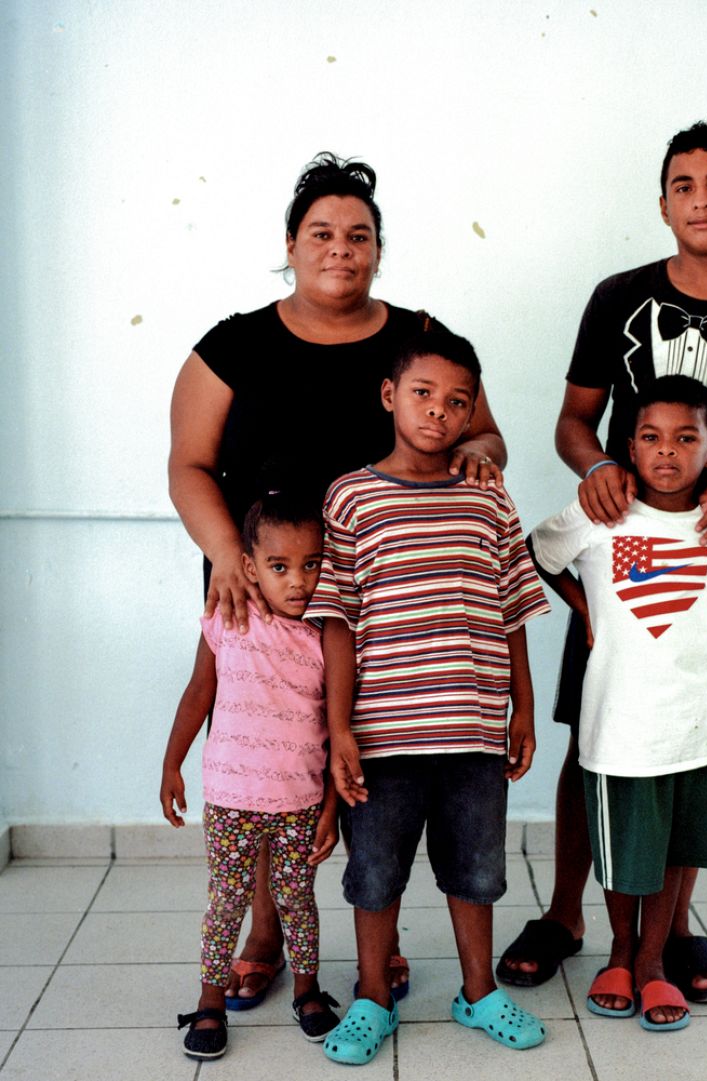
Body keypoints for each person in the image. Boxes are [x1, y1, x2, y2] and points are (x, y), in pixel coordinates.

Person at [498, 120, 707, 1000]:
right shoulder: (618, 297)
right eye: (684, 184)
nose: (702, 198)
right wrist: (600, 466)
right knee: (594, 733)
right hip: (620, 554)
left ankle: (668, 934)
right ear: (663, 204)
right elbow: (574, 422)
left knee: (688, 741)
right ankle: (569, 911)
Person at [168, 152, 506, 1008]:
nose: (341, 248)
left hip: (374, 598)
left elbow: (485, 440)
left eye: (360, 235)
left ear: (379, 251)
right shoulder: (232, 343)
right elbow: (189, 465)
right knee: (269, 757)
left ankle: (371, 937)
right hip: (261, 593)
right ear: (290, 243)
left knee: (361, 754)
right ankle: (265, 931)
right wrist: (227, 558)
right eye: (322, 232)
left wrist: (470, 458)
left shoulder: (418, 337)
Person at [305, 329, 550, 1065]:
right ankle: (374, 998)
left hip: (474, 730)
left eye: (457, 402)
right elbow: (338, 622)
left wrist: (524, 708)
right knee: (374, 873)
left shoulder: (487, 498)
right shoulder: (351, 497)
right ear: (388, 396)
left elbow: (513, 611)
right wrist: (339, 728)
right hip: (382, 736)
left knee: (477, 870)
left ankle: (478, 992)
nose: (439, 412)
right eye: (422, 394)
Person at [529, 375, 707, 1030]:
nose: (667, 451)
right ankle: (617, 949)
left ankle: (651, 960)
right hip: (618, 725)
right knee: (624, 849)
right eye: (650, 436)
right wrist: (588, 613)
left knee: (674, 845)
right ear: (628, 448)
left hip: (694, 726)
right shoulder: (598, 514)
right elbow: (539, 551)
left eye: (685, 437)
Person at [161, 493, 340, 1059]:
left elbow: (340, 728)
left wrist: (332, 807)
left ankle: (308, 994)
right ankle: (210, 1004)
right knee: (226, 902)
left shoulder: (326, 635)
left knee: (298, 901)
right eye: (280, 567)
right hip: (231, 799)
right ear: (248, 567)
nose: (298, 582)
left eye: (312, 564)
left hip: (300, 800)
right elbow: (198, 694)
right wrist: (172, 763)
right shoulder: (225, 619)